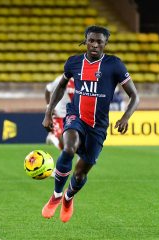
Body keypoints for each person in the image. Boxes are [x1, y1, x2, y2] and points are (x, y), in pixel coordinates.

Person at [41, 25, 140, 223]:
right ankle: (56, 196)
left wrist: (125, 117)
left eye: (99, 41)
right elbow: (60, 86)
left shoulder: (114, 65)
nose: (95, 44)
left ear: (105, 44)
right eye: (91, 40)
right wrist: (48, 111)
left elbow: (134, 96)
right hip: (75, 116)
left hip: (98, 127)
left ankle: (69, 197)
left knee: (79, 174)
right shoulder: (74, 63)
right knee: (68, 148)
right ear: (85, 41)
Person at [45, 75, 74, 151]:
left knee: (69, 146)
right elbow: (48, 89)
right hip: (58, 113)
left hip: (71, 114)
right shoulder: (61, 79)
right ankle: (53, 136)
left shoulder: (82, 80)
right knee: (63, 147)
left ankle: (52, 136)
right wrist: (49, 107)